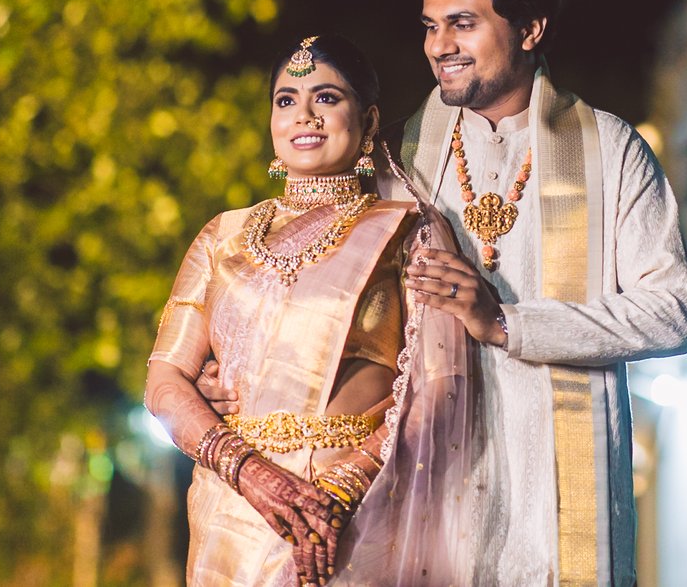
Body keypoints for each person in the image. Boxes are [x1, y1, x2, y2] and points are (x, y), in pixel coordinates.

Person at [390, 0, 687, 586]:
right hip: (439, 500)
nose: (440, 45)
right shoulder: (409, 157)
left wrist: (506, 322)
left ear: (529, 29)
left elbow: (671, 313)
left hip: (559, 511)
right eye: (430, 26)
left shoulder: (610, 149)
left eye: (463, 24)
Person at [144, 34, 478, 586]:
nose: (304, 115)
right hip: (233, 510)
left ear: (369, 121)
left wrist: (343, 489)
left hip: (353, 511)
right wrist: (250, 473)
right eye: (286, 100)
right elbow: (164, 379)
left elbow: (441, 386)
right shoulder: (222, 236)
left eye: (326, 97)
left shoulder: (406, 231)